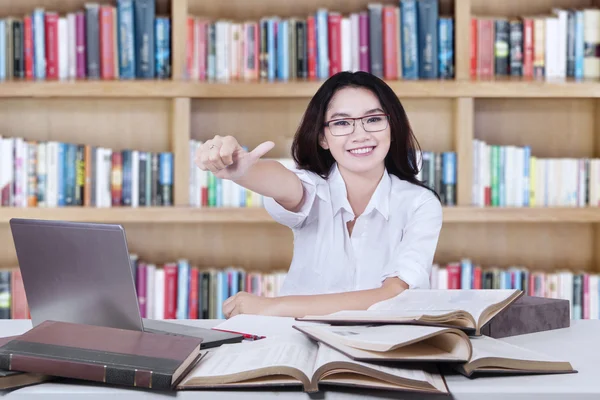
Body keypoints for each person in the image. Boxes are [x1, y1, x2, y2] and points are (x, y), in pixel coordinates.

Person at [194, 71, 443, 319]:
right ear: (323, 137)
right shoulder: (312, 189)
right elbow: (287, 185)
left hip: (384, 347)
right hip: (296, 342)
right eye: (342, 123)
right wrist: (244, 172)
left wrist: (274, 307)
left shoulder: (419, 203)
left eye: (374, 119)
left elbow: (393, 295)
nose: (360, 134)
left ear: (392, 126)